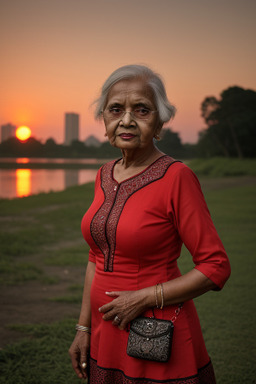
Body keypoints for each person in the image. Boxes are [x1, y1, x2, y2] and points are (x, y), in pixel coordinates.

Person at [69, 64, 231, 383]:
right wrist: (83, 328)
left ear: (159, 123)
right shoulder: (104, 174)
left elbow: (216, 266)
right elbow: (96, 258)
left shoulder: (177, 177)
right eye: (116, 109)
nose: (126, 120)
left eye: (141, 110)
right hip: (106, 333)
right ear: (104, 119)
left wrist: (142, 298)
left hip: (155, 333)